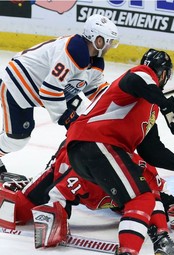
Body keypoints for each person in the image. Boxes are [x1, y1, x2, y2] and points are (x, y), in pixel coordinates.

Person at [65, 48, 174, 255]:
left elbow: (152, 152)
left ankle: (162, 240)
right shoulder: (140, 76)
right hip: (95, 144)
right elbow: (137, 78)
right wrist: (168, 105)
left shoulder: (148, 106)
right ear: (163, 75)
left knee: (150, 187)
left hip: (95, 149)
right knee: (140, 198)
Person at [0, 141, 174, 255]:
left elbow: (157, 194)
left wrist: (167, 219)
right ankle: (12, 185)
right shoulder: (81, 174)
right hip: (69, 158)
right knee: (19, 210)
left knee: (143, 200)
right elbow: (57, 194)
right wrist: (56, 216)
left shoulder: (141, 169)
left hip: (102, 163)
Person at [0, 14, 119, 173]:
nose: (110, 46)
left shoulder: (94, 62)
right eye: (109, 42)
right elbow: (50, 91)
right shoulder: (73, 51)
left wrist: (124, 99)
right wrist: (66, 117)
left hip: (39, 89)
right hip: (18, 86)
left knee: (82, 116)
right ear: (99, 41)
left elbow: (97, 91)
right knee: (17, 138)